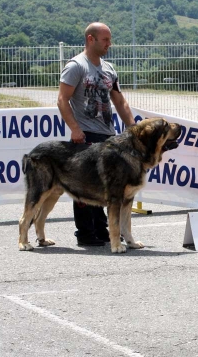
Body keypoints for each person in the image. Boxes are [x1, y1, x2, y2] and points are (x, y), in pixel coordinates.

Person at [57, 22, 136, 246]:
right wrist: (75, 129)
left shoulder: (109, 68)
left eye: (109, 40)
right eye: (105, 40)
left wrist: (132, 128)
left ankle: (104, 230)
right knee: (85, 186)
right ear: (90, 39)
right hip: (85, 135)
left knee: (108, 186)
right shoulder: (76, 66)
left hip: (108, 135)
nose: (109, 44)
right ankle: (85, 233)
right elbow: (63, 99)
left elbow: (119, 100)